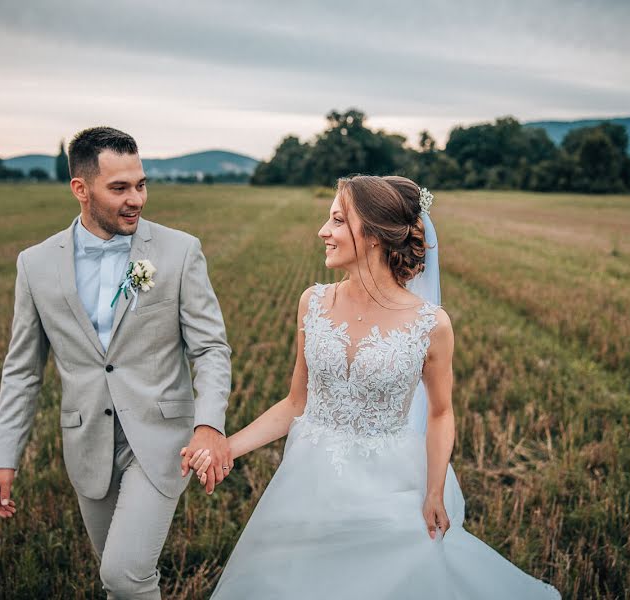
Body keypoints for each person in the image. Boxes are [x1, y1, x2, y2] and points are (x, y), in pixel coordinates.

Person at [181, 175, 560, 599]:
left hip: (389, 480)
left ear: (376, 236)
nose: (323, 231)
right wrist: (226, 447)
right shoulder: (313, 302)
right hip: (310, 477)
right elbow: (294, 403)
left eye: (339, 221)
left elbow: (440, 413)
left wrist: (434, 491)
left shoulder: (431, 325)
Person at [0, 126, 233, 599]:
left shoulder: (180, 251)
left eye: (140, 184)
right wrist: (5, 457)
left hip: (162, 439)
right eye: (119, 188)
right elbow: (21, 370)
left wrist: (209, 424)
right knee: (118, 580)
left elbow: (210, 348)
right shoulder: (35, 265)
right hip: (87, 442)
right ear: (81, 189)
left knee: (124, 574)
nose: (136, 199)